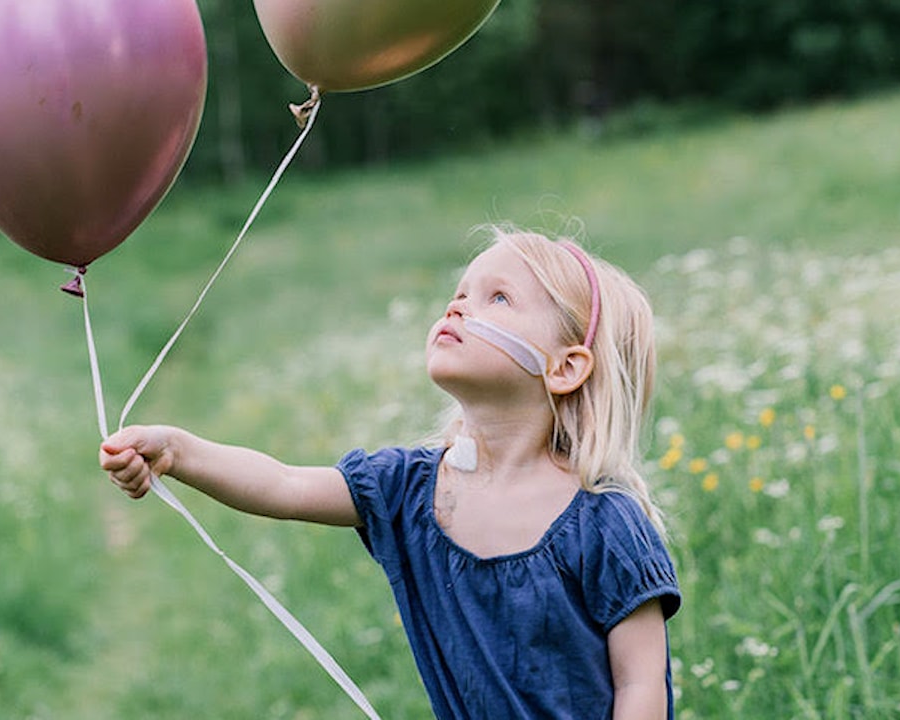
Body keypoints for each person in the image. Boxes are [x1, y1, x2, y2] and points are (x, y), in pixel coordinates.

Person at [99, 225, 682, 719]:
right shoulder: (409, 489)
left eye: (497, 298)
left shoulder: (605, 521)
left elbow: (641, 682)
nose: (457, 306)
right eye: (460, 292)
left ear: (564, 367)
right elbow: (284, 484)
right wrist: (177, 451)